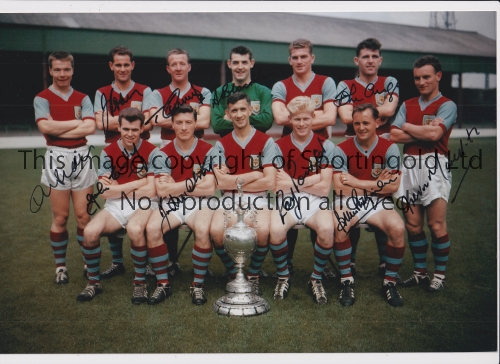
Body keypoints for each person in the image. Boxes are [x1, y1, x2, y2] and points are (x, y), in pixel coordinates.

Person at [76, 107, 159, 302]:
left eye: (135, 130)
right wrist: (140, 182)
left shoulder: (153, 151)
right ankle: (93, 283)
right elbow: (105, 193)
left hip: (145, 203)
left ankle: (140, 284)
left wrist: (119, 186)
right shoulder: (107, 152)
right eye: (126, 129)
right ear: (119, 128)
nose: (130, 134)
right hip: (116, 205)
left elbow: (152, 191)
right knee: (89, 232)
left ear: (142, 129)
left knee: (136, 228)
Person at [390, 55, 456, 292]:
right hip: (409, 165)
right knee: (413, 224)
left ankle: (439, 275)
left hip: (434, 164)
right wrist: (418, 129)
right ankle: (420, 273)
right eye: (417, 77)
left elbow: (434, 136)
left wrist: (406, 126)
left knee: (436, 225)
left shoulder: (447, 105)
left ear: (438, 76)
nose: (421, 82)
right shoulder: (407, 105)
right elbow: (394, 135)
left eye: (426, 77)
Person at [271, 38, 337, 275]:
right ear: (290, 60)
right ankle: (286, 263)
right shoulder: (281, 85)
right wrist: (309, 115)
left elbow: (331, 118)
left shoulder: (325, 82)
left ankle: (323, 266)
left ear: (312, 58)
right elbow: (279, 118)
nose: (299, 61)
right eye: (295, 57)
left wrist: (299, 117)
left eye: (303, 56)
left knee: (318, 204)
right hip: (290, 148)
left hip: (319, 147)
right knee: (287, 200)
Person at [335, 38, 400, 277]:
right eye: (365, 56)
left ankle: (385, 262)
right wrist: (372, 111)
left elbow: (390, 110)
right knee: (349, 201)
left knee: (384, 201)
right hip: (353, 148)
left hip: (381, 149)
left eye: (374, 56)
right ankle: (349, 262)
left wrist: (357, 108)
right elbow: (344, 115)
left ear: (380, 59)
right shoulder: (345, 84)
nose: (370, 61)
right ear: (357, 60)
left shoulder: (389, 81)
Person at [333, 103, 405, 307]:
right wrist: (376, 185)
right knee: (341, 225)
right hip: (348, 200)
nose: (361, 127)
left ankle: (389, 282)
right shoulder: (341, 149)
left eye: (366, 122)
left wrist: (357, 183)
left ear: (377, 122)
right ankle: (346, 280)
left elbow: (393, 185)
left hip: (379, 202)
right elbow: (339, 187)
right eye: (356, 123)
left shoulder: (389, 148)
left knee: (398, 228)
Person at [33, 51, 96, 284]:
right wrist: (77, 123)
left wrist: (56, 126)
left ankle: (88, 262)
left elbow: (90, 128)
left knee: (83, 216)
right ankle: (60, 266)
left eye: (66, 69)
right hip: (56, 157)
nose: (62, 74)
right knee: (60, 217)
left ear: (72, 70)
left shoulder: (83, 97)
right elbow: (45, 128)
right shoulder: (42, 98)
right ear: (50, 70)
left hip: (81, 156)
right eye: (57, 69)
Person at [148, 48, 212, 277]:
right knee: (168, 199)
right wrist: (182, 121)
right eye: (173, 64)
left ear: (189, 66)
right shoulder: (158, 93)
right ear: (168, 68)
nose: (177, 68)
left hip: (197, 149)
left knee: (198, 198)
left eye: (181, 63)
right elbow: (153, 119)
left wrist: (174, 120)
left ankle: (196, 264)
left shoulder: (202, 91)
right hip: (168, 149)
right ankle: (171, 261)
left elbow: (204, 120)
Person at [145, 105, 216, 305]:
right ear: (172, 125)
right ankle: (163, 283)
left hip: (200, 203)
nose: (184, 127)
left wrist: (176, 185)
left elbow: (210, 188)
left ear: (195, 124)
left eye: (188, 122)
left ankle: (198, 285)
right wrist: (193, 184)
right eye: (179, 123)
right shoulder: (162, 152)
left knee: (202, 228)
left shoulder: (209, 149)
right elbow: (162, 191)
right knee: (152, 228)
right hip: (172, 204)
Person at [94, 46, 154, 280]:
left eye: (126, 64)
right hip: (113, 152)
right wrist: (130, 122)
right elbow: (99, 123)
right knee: (114, 202)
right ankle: (117, 262)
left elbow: (147, 123)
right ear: (111, 66)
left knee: (145, 200)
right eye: (117, 64)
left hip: (141, 151)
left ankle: (148, 263)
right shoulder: (101, 92)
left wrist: (117, 121)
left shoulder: (144, 90)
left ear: (132, 65)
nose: (122, 68)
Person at [209, 92, 277, 297]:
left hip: (258, 199)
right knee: (216, 232)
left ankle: (254, 275)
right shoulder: (221, 144)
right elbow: (220, 183)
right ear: (228, 114)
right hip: (229, 198)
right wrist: (254, 174)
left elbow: (270, 181)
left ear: (250, 110)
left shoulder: (266, 141)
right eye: (234, 111)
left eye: (242, 109)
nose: (239, 114)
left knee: (264, 231)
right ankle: (234, 273)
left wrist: (235, 179)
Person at [270, 96, 335, 303]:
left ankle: (316, 278)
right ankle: (283, 276)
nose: (301, 124)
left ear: (313, 117)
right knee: (276, 230)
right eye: (297, 119)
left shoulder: (326, 145)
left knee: (326, 229)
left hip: (316, 201)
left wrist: (294, 181)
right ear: (289, 119)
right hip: (287, 199)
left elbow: (325, 188)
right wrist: (313, 178)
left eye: (306, 119)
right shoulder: (277, 146)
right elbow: (277, 185)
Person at [211, 45, 273, 137]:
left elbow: (266, 122)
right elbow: (217, 126)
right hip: (229, 148)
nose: (240, 67)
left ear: (251, 63)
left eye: (244, 62)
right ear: (229, 64)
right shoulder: (219, 93)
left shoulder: (264, 92)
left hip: (257, 148)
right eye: (236, 63)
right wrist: (253, 119)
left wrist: (231, 118)